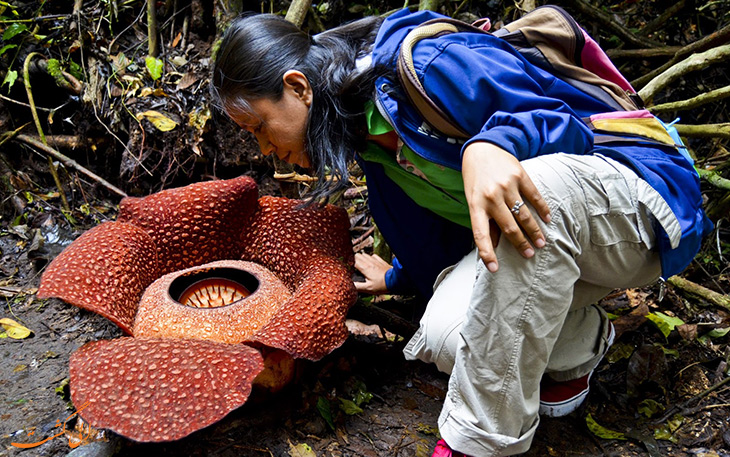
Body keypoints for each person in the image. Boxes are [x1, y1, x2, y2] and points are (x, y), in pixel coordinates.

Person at [210, 8, 711, 457]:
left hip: (638, 201)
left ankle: (479, 444)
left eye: (259, 127)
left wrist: (491, 144)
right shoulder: (366, 138)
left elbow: (565, 122)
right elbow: (442, 235)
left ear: (298, 88)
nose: (264, 149)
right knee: (446, 333)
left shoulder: (427, 62)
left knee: (528, 192)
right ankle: (579, 344)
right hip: (548, 246)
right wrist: (402, 276)